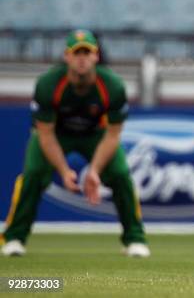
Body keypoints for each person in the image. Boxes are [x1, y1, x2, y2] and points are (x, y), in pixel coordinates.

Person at [1, 30, 149, 258]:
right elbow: (46, 134)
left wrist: (94, 171)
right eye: (76, 53)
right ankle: (14, 238)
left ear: (96, 56)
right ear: (67, 56)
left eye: (87, 53)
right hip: (56, 134)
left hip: (95, 135)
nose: (82, 58)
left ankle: (135, 240)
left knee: (120, 175)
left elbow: (112, 135)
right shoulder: (48, 85)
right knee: (33, 174)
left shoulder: (113, 87)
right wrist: (63, 170)